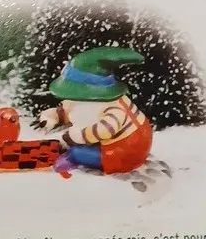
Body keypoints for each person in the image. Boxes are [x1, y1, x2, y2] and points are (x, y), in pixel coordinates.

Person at [37, 47, 152, 178]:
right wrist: (54, 115)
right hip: (105, 142)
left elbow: (107, 130)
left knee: (75, 152)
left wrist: (79, 136)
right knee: (74, 144)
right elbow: (70, 108)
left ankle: (72, 161)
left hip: (123, 152)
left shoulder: (114, 108)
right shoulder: (85, 103)